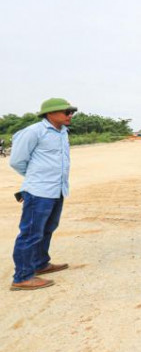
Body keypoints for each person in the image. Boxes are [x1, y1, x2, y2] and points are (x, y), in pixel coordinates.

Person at [9, 98, 77, 291]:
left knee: (47, 228)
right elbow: (17, 161)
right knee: (31, 233)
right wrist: (35, 177)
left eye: (72, 111)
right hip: (39, 191)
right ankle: (22, 277)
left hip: (57, 189)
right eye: (67, 111)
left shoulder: (62, 132)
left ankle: (40, 263)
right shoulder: (33, 132)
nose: (70, 115)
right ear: (50, 113)